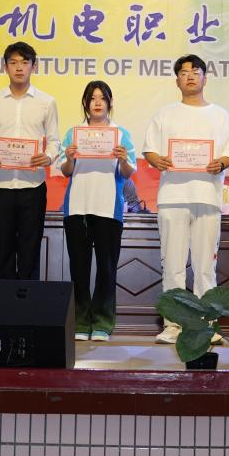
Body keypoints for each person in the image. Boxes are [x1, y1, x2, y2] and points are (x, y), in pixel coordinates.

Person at [143, 54, 229, 344]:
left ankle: (205, 325)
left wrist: (220, 163)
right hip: (172, 197)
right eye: (184, 73)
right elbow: (150, 150)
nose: (190, 77)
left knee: (205, 266)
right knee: (172, 265)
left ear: (205, 78)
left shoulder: (221, 116)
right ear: (177, 80)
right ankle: (173, 324)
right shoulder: (164, 114)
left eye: (196, 71)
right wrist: (157, 160)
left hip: (207, 198)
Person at [57, 81, 136, 342]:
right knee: (79, 267)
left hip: (108, 208)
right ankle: (80, 322)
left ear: (110, 102)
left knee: (107, 267)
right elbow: (66, 171)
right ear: (85, 103)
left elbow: (128, 172)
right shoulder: (74, 133)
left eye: (103, 98)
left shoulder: (121, 134)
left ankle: (102, 322)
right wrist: (70, 157)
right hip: (77, 207)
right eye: (92, 98)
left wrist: (123, 159)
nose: (98, 102)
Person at [0, 41, 60, 280]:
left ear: (34, 66)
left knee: (29, 253)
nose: (19, 67)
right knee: (2, 252)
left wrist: (48, 156)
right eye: (13, 62)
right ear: (5, 67)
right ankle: (3, 302)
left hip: (32, 186)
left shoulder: (47, 102)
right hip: (0, 186)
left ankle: (27, 302)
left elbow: (54, 141)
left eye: (24, 62)